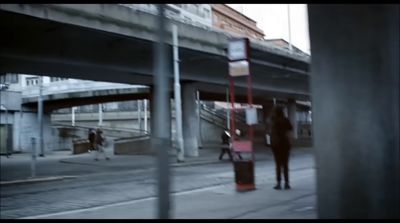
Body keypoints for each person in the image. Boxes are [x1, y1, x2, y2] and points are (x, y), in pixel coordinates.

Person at [270, 106, 293, 190]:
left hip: (276, 145)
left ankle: (278, 183)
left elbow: (271, 131)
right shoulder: (285, 120)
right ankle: (287, 183)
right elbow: (291, 128)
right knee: (285, 165)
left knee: (278, 165)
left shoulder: (274, 120)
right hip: (285, 144)